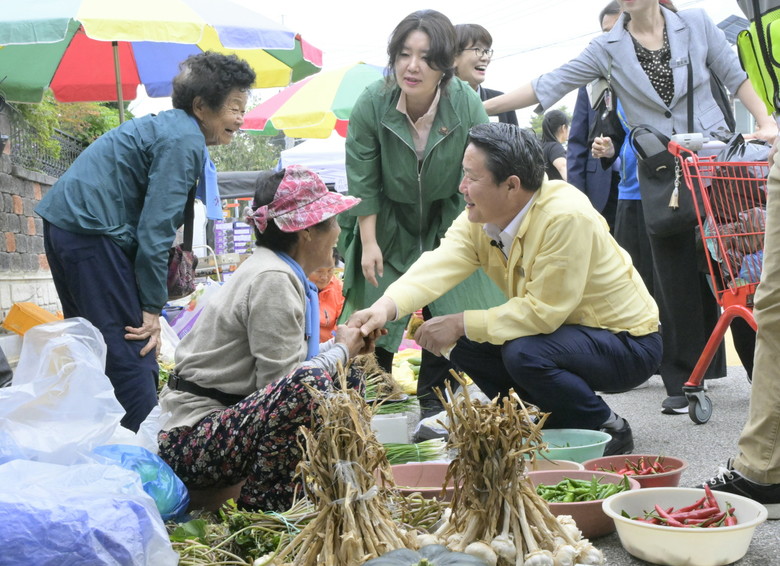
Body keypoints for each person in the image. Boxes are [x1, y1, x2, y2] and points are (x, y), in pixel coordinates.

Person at [483, 0, 776, 415]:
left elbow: (735, 75)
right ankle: (684, 380)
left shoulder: (695, 23)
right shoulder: (607, 46)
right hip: (661, 170)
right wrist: (478, 106)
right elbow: (549, 83)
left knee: (737, 268)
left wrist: (766, 123)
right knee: (672, 275)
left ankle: (762, 371)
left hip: (714, 159)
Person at [348, 122, 663, 456]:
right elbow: (437, 265)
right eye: (463, 174)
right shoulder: (482, 217)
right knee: (468, 343)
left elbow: (542, 314)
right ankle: (542, 420)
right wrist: (383, 308)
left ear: (512, 185)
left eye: (472, 178)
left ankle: (606, 426)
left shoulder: (565, 216)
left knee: (523, 352)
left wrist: (459, 321)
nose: (462, 187)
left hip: (627, 344)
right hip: (566, 337)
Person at [35, 52, 256, 432]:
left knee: (94, 347)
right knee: (135, 349)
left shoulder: (172, 128)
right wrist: (151, 310)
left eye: (243, 109)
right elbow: (155, 234)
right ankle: (146, 453)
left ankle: (106, 443)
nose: (240, 119)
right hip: (91, 233)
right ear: (201, 106)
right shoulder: (183, 140)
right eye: (234, 108)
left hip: (69, 226)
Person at [158, 166, 378, 512]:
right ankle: (267, 511)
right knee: (314, 383)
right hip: (194, 442)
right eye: (333, 221)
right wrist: (341, 349)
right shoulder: (273, 277)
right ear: (306, 231)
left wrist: (344, 349)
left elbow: (290, 375)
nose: (338, 230)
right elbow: (288, 388)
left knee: (347, 376)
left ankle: (341, 490)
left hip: (225, 428)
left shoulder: (278, 270)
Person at [338, 9, 506, 419]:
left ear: (445, 66)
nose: (412, 67)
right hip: (386, 216)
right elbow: (362, 177)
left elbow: (483, 164)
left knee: (457, 299)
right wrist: (369, 242)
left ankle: (436, 399)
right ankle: (367, 398)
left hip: (451, 212)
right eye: (404, 54)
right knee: (374, 301)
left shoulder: (464, 102)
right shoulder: (372, 102)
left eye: (427, 58)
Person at [698, 0, 780, 519]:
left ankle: (764, 470)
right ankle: (764, 469)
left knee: (774, 308)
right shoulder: (748, 31)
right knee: (771, 306)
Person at [566, 1, 622, 232]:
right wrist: (577, 197)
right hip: (600, 190)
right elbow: (577, 142)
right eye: (605, 32)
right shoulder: (591, 81)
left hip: (641, 187)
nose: (610, 38)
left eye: (617, 29)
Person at [453, 23, 518, 126]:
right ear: (453, 56)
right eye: (477, 50)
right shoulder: (433, 103)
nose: (486, 58)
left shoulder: (502, 102)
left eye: (487, 51)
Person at [309, 248, 345, 343]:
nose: (324, 277)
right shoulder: (295, 285)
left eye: (330, 270)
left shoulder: (340, 290)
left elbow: (342, 325)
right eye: (319, 271)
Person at [541, 109, 570, 181]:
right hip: (558, 188)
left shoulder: (540, 147)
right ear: (563, 128)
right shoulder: (555, 147)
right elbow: (563, 167)